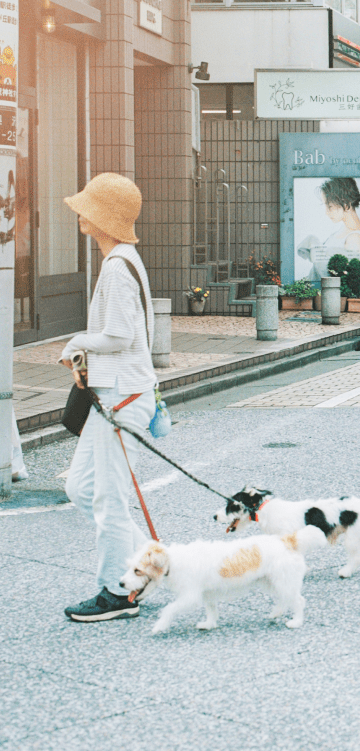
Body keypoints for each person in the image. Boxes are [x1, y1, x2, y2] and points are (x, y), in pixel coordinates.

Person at [59, 173, 157, 623]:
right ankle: (149, 564)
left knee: (108, 499)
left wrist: (77, 342)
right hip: (117, 394)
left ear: (102, 216)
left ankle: (117, 591)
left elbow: (118, 335)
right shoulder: (122, 259)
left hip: (122, 397)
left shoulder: (118, 266)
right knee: (80, 487)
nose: (79, 211)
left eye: (87, 206)